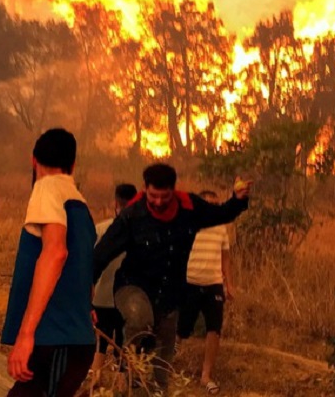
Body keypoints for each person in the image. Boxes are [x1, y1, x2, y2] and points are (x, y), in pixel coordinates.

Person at [93, 164, 251, 392]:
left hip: (169, 293)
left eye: (164, 196)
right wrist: (86, 286)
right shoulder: (132, 216)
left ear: (173, 190)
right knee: (140, 319)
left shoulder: (189, 208)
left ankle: (158, 389)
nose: (158, 201)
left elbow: (220, 214)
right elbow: (101, 253)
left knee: (164, 353)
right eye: (153, 195)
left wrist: (237, 199)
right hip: (131, 288)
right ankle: (129, 371)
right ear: (145, 188)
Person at [1, 129, 97, 397]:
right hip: (70, 338)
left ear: (34, 160)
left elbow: (56, 253)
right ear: (73, 164)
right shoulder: (79, 201)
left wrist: (26, 334)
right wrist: (85, 304)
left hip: (55, 337)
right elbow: (82, 262)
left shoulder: (46, 187)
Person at [176, 190, 236, 395]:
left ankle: (206, 375)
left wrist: (229, 284)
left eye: (215, 205)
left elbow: (225, 258)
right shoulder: (188, 224)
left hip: (213, 284)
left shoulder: (221, 228)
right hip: (190, 282)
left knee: (214, 328)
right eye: (207, 204)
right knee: (182, 329)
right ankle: (167, 364)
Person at [90, 183, 136, 379]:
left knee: (100, 343)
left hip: (101, 298)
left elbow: (89, 263)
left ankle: (95, 382)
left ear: (115, 203)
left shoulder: (100, 229)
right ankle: (120, 388)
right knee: (124, 345)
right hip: (128, 300)